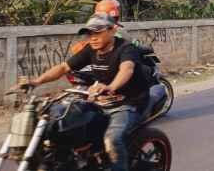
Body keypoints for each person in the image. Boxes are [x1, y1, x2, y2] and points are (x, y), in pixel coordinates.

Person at [12, 13, 149, 171]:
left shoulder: (126, 48)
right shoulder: (91, 50)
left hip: (127, 104)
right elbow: (64, 67)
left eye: (98, 32)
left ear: (112, 30)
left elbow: (127, 69)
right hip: (100, 102)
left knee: (113, 139)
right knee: (63, 127)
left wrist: (111, 87)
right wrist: (36, 81)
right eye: (90, 33)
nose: (93, 37)